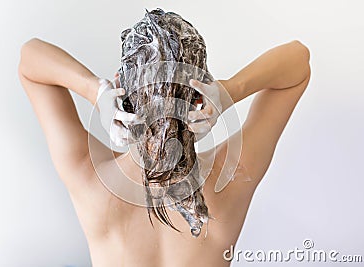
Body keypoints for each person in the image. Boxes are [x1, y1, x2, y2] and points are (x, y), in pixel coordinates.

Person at [18, 36, 311, 266]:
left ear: (123, 90)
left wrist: (95, 90)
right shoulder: (232, 176)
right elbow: (299, 60)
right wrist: (230, 90)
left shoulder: (90, 179)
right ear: (200, 97)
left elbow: (29, 59)